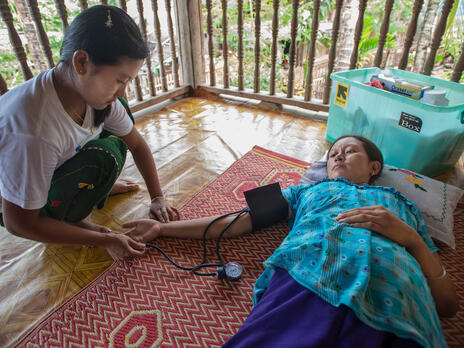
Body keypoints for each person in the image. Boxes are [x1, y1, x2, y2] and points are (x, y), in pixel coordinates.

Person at [123, 135, 459, 347]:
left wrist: (412, 239)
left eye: (350, 151)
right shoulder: (306, 191)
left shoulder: (403, 206)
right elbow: (237, 221)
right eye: (333, 154)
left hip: (397, 300)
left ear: (374, 167)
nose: (338, 157)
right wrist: (163, 230)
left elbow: (447, 306)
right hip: (308, 278)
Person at [0, 5, 179, 261]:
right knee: (103, 157)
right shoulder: (33, 130)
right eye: (120, 80)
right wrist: (104, 238)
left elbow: (137, 145)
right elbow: (20, 223)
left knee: (118, 120)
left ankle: (89, 191)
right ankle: (69, 220)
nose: (121, 91)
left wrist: (158, 198)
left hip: (47, 168)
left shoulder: (85, 94)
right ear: (81, 62)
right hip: (15, 202)